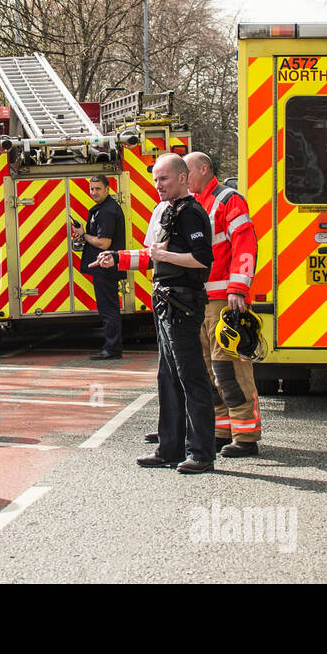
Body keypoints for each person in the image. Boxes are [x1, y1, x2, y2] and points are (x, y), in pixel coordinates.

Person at [94, 154, 215, 473]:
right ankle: (169, 448)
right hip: (164, 298)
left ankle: (201, 453)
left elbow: (203, 259)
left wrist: (167, 255)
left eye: (164, 179)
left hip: (184, 302)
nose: (158, 185)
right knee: (168, 377)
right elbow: (151, 257)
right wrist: (116, 259)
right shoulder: (164, 210)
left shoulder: (192, 213)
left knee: (192, 377)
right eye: (156, 179)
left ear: (184, 178)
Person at [186, 152, 263, 457]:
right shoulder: (196, 203)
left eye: (187, 171)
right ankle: (221, 429)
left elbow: (245, 243)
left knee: (228, 368)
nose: (184, 177)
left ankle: (246, 436)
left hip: (222, 300)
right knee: (207, 369)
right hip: (201, 300)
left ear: (204, 170)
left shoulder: (228, 199)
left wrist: (238, 288)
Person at [75, 174, 126, 360]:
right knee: (108, 307)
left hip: (106, 267)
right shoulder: (102, 209)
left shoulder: (107, 211)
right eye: (91, 189)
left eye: (98, 189)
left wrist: (84, 235)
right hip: (104, 266)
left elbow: (104, 243)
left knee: (108, 309)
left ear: (107, 189)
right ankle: (112, 346)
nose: (94, 192)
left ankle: (112, 348)